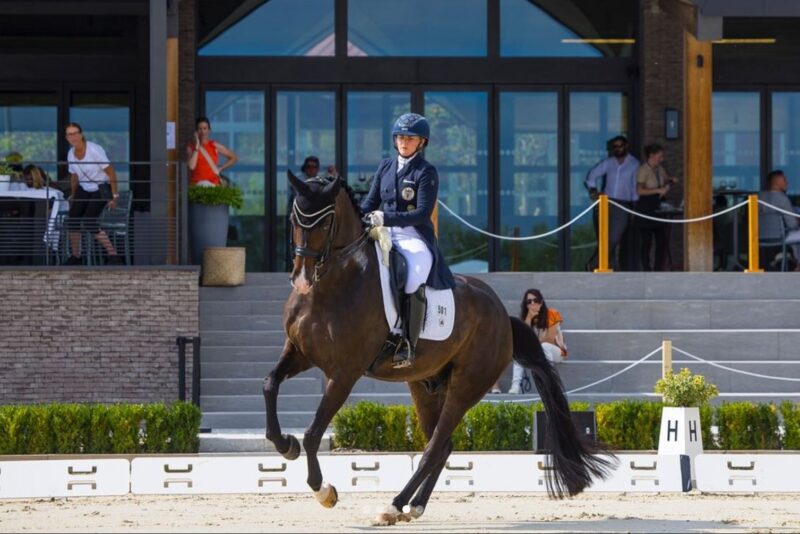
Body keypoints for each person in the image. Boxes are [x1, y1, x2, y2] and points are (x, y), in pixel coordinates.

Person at [361, 112, 455, 369]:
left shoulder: (426, 172)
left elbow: (422, 213)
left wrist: (385, 218)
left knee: (414, 276)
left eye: (410, 138)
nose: (404, 142)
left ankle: (408, 344)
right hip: (383, 231)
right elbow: (369, 203)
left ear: (421, 142)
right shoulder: (385, 166)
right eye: (401, 137)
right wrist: (358, 217)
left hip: (414, 235)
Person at [62, 122, 124, 266]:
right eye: (70, 134)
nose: (73, 137)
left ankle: (113, 255)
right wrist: (73, 195)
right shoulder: (70, 153)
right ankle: (76, 256)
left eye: (75, 133)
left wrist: (114, 195)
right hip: (84, 187)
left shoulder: (94, 150)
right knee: (72, 220)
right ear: (66, 138)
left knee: (89, 221)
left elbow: (111, 172)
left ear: (81, 134)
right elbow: (74, 176)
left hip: (102, 187)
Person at [584, 135, 640, 271]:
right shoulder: (609, 162)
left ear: (626, 146)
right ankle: (612, 266)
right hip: (605, 203)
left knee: (614, 237)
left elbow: (634, 187)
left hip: (623, 204)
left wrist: (634, 207)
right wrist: (593, 191)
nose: (617, 149)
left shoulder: (634, 164)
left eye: (620, 146)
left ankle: (594, 263)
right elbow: (591, 175)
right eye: (614, 147)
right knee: (604, 236)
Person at [507, 288, 567, 394]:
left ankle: (549, 383)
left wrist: (533, 343)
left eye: (536, 300)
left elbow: (550, 339)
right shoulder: (526, 318)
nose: (533, 303)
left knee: (545, 346)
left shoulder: (552, 314)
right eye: (529, 301)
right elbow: (523, 340)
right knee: (519, 353)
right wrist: (529, 318)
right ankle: (515, 386)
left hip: (556, 351)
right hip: (536, 352)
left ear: (541, 302)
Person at [635, 143, 677, 271]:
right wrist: (658, 190)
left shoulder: (659, 169)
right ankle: (647, 269)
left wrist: (670, 180)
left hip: (658, 206)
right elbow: (639, 191)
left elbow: (665, 179)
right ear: (651, 156)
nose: (661, 159)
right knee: (646, 242)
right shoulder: (643, 170)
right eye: (660, 156)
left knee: (662, 240)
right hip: (646, 206)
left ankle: (658, 268)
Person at [758, 169, 800, 266]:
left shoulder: (759, 197)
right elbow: (792, 224)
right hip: (780, 237)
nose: (787, 182)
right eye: (784, 180)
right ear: (776, 182)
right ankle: (797, 265)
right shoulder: (782, 199)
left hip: (759, 236)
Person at [186, 117, 238, 187]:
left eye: (205, 128)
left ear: (209, 130)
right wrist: (197, 147)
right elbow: (191, 166)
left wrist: (221, 168)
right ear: (196, 131)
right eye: (200, 129)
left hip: (212, 184)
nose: (202, 132)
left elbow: (234, 157)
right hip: (197, 185)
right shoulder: (191, 147)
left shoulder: (214, 145)